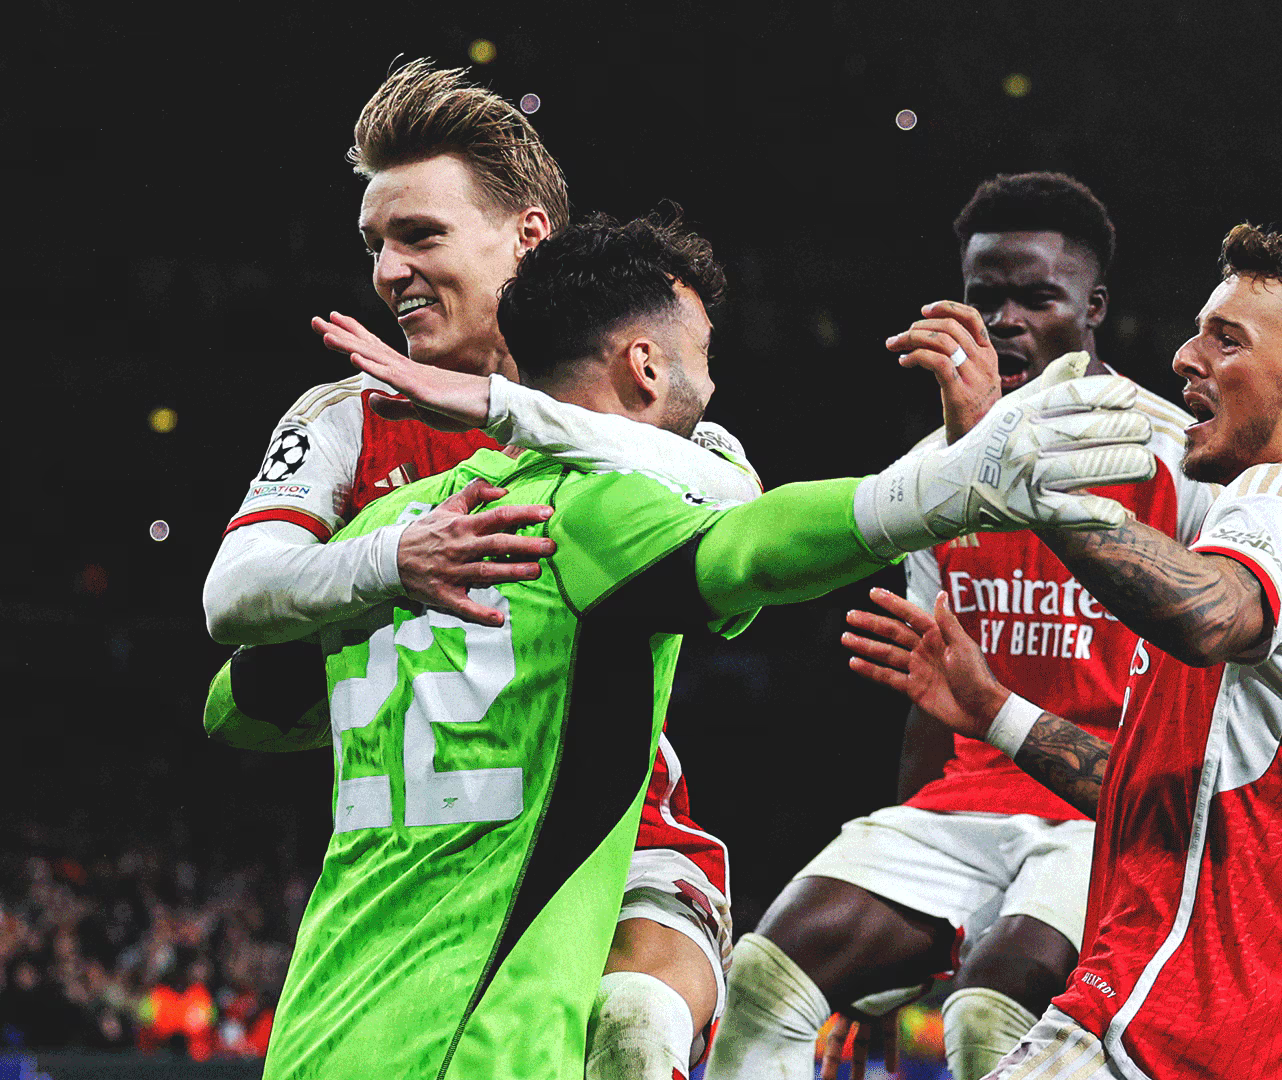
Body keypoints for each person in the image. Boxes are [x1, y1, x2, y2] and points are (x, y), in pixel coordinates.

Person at [205, 212, 1156, 1080]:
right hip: (483, 1037)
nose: (714, 383)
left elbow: (239, 707)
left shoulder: (404, 533)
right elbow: (752, 546)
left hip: (323, 1028)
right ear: (649, 367)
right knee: (638, 1022)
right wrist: (944, 488)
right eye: (703, 357)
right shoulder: (585, 512)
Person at [198, 61, 764, 1078]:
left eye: (419, 235)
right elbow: (233, 597)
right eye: (375, 243)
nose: (387, 272)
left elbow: (747, 520)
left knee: (633, 1027)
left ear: (527, 237)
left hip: (624, 839)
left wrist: (514, 415)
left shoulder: (636, 413)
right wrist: (392, 560)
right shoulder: (344, 420)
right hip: (429, 864)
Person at [841, 224, 1282, 1079]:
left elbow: (1206, 614)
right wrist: (997, 712)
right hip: (1258, 1047)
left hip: (1156, 1020)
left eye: (1227, 340)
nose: (1186, 357)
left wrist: (1036, 488)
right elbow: (1171, 804)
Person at [706, 173, 1213, 1080]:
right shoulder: (932, 474)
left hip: (1106, 808)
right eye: (987, 299)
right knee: (765, 976)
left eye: (1037, 297)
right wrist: (876, 975)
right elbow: (929, 689)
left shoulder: (1173, 456)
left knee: (990, 1018)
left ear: (1093, 306)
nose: (1007, 320)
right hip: (969, 802)